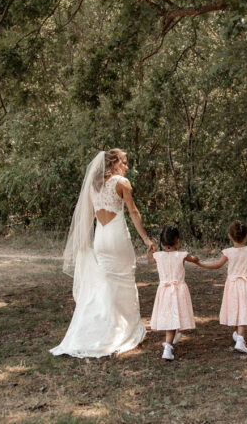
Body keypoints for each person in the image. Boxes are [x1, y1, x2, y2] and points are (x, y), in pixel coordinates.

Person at [50, 149, 156, 358]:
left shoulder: (93, 184)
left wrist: (83, 243)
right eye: (124, 163)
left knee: (107, 283)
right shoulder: (122, 183)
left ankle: (106, 326)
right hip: (117, 236)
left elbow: (87, 216)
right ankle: (124, 329)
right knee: (125, 279)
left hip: (100, 238)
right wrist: (146, 239)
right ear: (114, 162)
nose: (126, 167)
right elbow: (133, 212)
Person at [195, 220, 247, 354]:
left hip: (233, 285)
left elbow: (217, 265)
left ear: (230, 236)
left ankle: (239, 337)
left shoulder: (228, 252)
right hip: (246, 284)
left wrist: (201, 264)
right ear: (246, 236)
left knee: (238, 308)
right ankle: (239, 337)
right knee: (243, 309)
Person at [148, 225, 199, 360]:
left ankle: (175, 334)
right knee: (173, 318)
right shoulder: (182, 255)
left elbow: (149, 261)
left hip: (164, 291)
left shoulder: (158, 256)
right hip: (178, 291)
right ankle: (167, 348)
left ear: (162, 243)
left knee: (171, 313)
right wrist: (196, 259)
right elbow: (193, 259)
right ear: (178, 241)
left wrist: (150, 252)